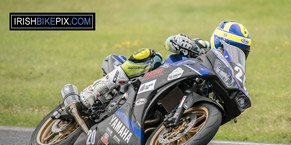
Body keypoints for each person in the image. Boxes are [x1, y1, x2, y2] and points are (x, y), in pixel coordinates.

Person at [79, 21, 251, 108]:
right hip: (160, 77)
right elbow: (169, 43)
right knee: (150, 55)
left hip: (178, 100)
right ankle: (96, 89)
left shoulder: (230, 73)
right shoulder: (203, 46)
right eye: (230, 47)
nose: (234, 53)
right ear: (218, 41)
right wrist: (181, 42)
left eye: (240, 52)